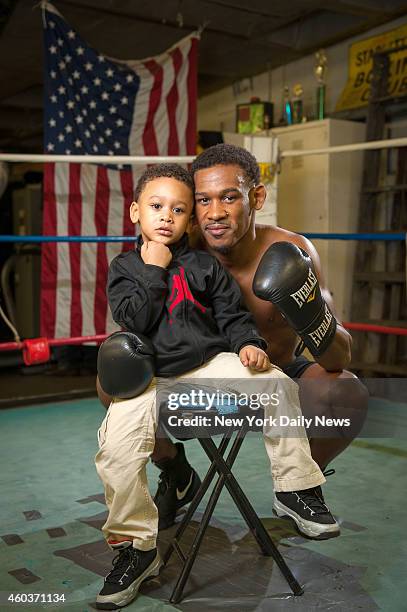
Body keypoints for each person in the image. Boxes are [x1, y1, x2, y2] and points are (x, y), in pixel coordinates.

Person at [95, 163, 339, 610]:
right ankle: (137, 548)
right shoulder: (125, 268)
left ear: (189, 221)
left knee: (275, 383)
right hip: (151, 377)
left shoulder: (203, 264)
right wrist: (152, 269)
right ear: (134, 212)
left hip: (209, 363)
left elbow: (232, 313)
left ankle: (296, 489)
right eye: (156, 206)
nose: (167, 216)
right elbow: (133, 320)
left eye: (179, 209)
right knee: (115, 447)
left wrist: (248, 343)